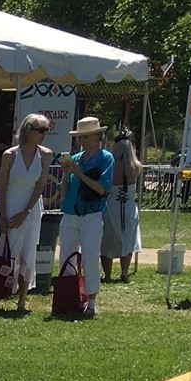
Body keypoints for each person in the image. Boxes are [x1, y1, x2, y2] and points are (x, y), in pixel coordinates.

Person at [0, 112, 52, 316]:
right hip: (10, 206)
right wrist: (4, 217)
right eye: (40, 130)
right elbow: (2, 187)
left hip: (31, 210)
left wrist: (27, 211)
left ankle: (22, 301)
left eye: (45, 130)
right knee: (3, 251)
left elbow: (41, 184)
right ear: (28, 131)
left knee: (27, 253)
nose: (43, 134)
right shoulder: (10, 155)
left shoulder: (46, 154)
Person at [58, 114, 113, 318]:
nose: (81, 141)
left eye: (86, 137)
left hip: (92, 214)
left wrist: (79, 173)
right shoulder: (75, 159)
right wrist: (65, 174)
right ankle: (69, 297)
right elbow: (63, 193)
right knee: (66, 256)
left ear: (98, 136)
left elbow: (102, 189)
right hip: (70, 213)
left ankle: (91, 302)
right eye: (80, 137)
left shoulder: (106, 158)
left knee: (90, 256)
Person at [103, 127, 142, 282]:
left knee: (107, 242)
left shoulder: (110, 167)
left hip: (111, 206)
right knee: (128, 241)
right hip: (129, 207)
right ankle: (124, 272)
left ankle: (107, 274)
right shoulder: (136, 167)